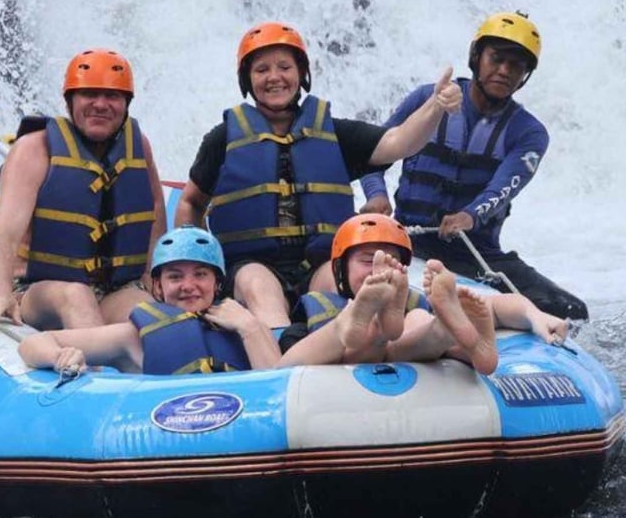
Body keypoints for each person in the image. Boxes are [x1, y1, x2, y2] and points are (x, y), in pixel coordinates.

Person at [174, 21, 462, 330]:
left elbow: (398, 142)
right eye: (261, 70)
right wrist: (194, 263)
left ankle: (359, 340)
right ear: (247, 79)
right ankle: (282, 353)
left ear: (301, 74)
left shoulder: (335, 133)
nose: (274, 77)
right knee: (259, 287)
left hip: (320, 261)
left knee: (345, 284)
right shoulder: (223, 138)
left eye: (284, 67)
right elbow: (191, 202)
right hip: (250, 264)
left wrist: (435, 106)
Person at [358, 11, 588, 320]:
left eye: (516, 65)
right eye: (496, 59)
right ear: (476, 57)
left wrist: (470, 215)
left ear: (525, 75)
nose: (504, 71)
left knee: (572, 311)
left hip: (475, 253)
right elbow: (374, 156)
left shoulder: (529, 133)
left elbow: (503, 188)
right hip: (407, 242)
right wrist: (376, 196)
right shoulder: (428, 99)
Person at [0, 48, 166, 330]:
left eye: (112, 96)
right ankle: (95, 371)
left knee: (152, 316)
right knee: (76, 295)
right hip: (38, 289)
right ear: (70, 101)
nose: (100, 104)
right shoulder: (33, 149)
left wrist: (152, 273)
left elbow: (155, 210)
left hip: (114, 288)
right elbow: (5, 233)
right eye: (89, 94)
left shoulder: (139, 147)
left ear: (126, 104)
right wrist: (0, 292)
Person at [281, 214, 570, 374]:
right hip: (341, 357)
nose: (376, 270)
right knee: (401, 324)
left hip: (402, 344)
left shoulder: (413, 306)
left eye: (389, 262)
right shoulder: (310, 317)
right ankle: (359, 324)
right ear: (340, 270)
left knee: (418, 317)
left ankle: (443, 331)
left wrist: (535, 315)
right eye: (368, 260)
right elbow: (280, 374)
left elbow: (495, 306)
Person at [18, 226, 281, 376]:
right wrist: (58, 355)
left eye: (200, 274)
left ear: (217, 283)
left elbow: (280, 387)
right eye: (175, 277)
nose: (188, 286)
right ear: (158, 287)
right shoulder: (133, 337)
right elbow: (31, 344)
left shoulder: (248, 325)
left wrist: (250, 329)